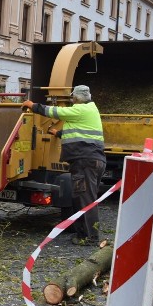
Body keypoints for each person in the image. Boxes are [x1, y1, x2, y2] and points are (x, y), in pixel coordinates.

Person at [22, 85, 106, 243]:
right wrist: (59, 133)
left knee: (85, 200)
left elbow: (55, 112)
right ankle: (83, 234)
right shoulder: (89, 110)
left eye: (73, 97)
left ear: (77, 98)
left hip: (85, 162)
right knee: (82, 198)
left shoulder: (80, 110)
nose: (71, 99)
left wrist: (32, 106)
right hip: (90, 161)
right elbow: (79, 132)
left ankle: (89, 238)